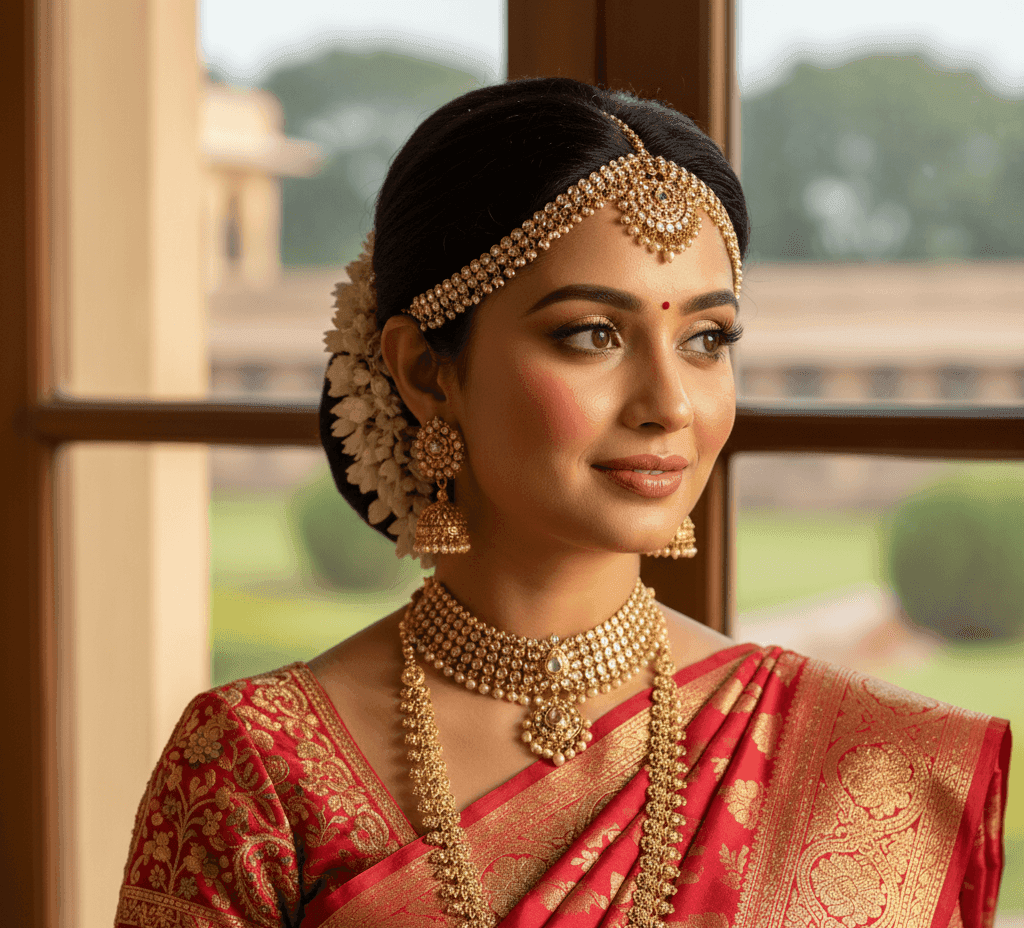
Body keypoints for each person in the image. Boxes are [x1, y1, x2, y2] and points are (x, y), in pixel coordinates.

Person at [115, 77, 1009, 928]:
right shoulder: (258, 768)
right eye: (593, 334)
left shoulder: (868, 765)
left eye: (706, 339)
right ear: (426, 371)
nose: (670, 403)